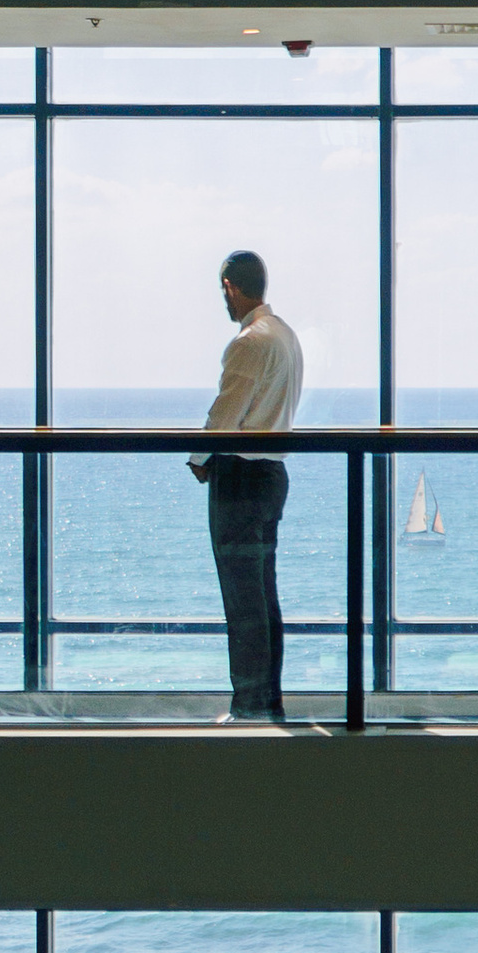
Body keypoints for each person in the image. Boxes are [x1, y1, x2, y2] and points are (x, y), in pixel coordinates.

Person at [189, 249, 304, 725]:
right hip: (273, 474)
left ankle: (249, 706)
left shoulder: (250, 341)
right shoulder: (287, 337)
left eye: (224, 291)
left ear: (231, 286)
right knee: (263, 595)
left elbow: (226, 413)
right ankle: (267, 700)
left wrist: (199, 460)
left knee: (242, 600)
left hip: (239, 476)